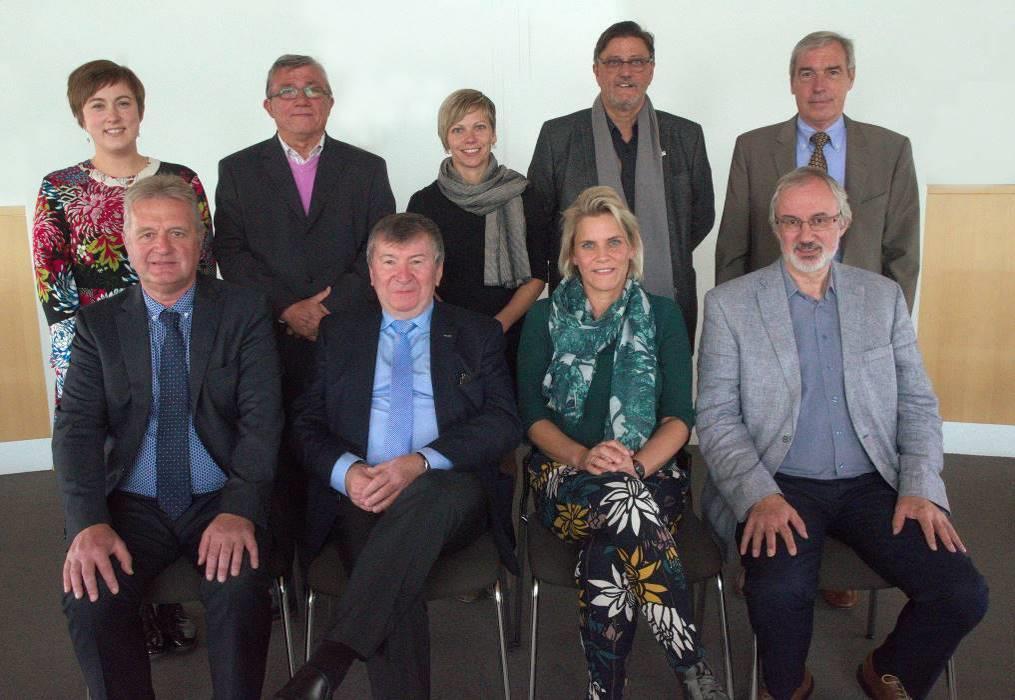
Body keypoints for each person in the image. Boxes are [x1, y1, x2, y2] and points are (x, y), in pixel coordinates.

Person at [697, 167, 987, 700]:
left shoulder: (882, 298)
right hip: (779, 480)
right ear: (775, 228)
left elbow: (918, 402)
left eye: (820, 219)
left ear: (843, 224)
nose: (806, 234)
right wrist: (757, 493)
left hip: (874, 482)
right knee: (779, 592)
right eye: (791, 221)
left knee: (962, 592)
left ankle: (888, 669)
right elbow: (715, 415)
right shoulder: (731, 305)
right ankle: (787, 686)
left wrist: (920, 485)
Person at [54, 175, 283, 699]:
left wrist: (239, 508)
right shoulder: (97, 324)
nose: (163, 247)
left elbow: (261, 420)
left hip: (219, 495)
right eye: (149, 233)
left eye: (178, 233)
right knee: (89, 592)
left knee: (240, 586)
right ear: (127, 242)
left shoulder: (244, 311)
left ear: (200, 244)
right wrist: (87, 522)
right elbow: (76, 431)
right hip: (133, 502)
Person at [275, 214, 521, 699]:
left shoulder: (477, 333)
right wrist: (348, 474)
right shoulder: (340, 333)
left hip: (451, 493)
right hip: (361, 495)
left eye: (417, 262)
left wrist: (421, 461)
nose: (402, 276)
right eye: (389, 262)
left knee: (424, 499)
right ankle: (326, 672)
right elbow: (304, 425)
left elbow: (503, 422)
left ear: (439, 270)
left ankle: (329, 662)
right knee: (392, 573)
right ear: (371, 272)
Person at [32, 58, 214, 656]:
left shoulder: (182, 180)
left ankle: (168, 600)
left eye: (123, 102)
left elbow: (204, 271)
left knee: (176, 457)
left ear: (141, 109)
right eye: (98, 106)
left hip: (182, 343)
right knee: (114, 474)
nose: (113, 116)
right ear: (81, 117)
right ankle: (119, 586)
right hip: (97, 357)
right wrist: (86, 358)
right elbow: (53, 287)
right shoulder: (59, 189)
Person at [517, 186, 728, 699]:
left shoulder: (663, 314)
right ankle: (693, 668)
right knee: (624, 507)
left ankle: (605, 690)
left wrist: (631, 465)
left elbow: (680, 416)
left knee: (610, 551)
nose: (603, 256)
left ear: (632, 248)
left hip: (651, 475)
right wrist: (583, 456)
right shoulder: (543, 319)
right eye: (588, 245)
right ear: (571, 255)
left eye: (614, 242)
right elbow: (532, 417)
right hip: (564, 479)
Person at [527, 20, 714, 346]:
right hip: (579, 312)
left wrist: (654, 252)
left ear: (651, 69)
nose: (625, 72)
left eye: (637, 62)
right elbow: (540, 224)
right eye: (614, 62)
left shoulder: (686, 136)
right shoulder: (558, 137)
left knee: (663, 393)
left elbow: (700, 216)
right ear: (597, 70)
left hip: (666, 303)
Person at [714, 30, 920, 311]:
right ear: (792, 82)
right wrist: (736, 319)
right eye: (807, 74)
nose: (819, 86)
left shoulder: (890, 151)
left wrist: (889, 323)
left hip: (861, 309)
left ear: (851, 77)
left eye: (832, 72)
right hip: (772, 311)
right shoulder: (753, 149)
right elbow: (732, 251)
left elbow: (903, 254)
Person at [407, 88, 546, 385]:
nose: (470, 139)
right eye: (458, 130)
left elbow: (538, 275)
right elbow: (416, 273)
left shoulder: (525, 195)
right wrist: (454, 328)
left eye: (479, 127)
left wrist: (498, 326)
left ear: (493, 134)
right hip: (445, 335)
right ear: (446, 139)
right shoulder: (423, 204)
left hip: (514, 336)